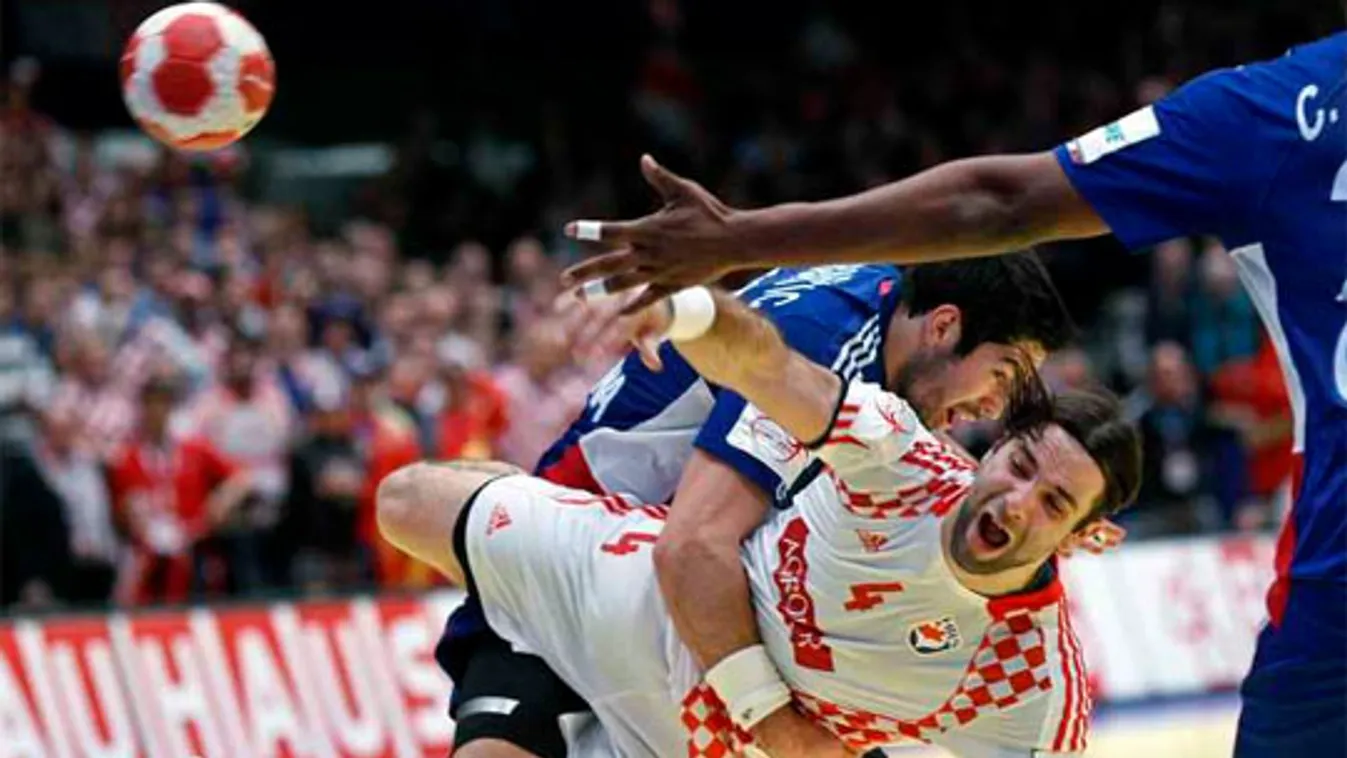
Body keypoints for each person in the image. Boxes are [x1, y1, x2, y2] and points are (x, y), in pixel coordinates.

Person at [561, 33, 1347, 757]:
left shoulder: (877, 346)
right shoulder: (833, 345)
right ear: (943, 327)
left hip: (653, 588)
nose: (992, 410)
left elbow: (996, 208)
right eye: (1002, 377)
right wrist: (778, 728)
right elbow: (694, 545)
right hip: (596, 559)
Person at [377, 284, 1142, 758]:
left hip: (721, 742)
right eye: (1019, 465)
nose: (1016, 501)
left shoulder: (1034, 684)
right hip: (651, 600)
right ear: (989, 449)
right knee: (405, 501)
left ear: (1085, 537)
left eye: (1052, 504)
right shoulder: (898, 454)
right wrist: (683, 308)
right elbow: (767, 366)